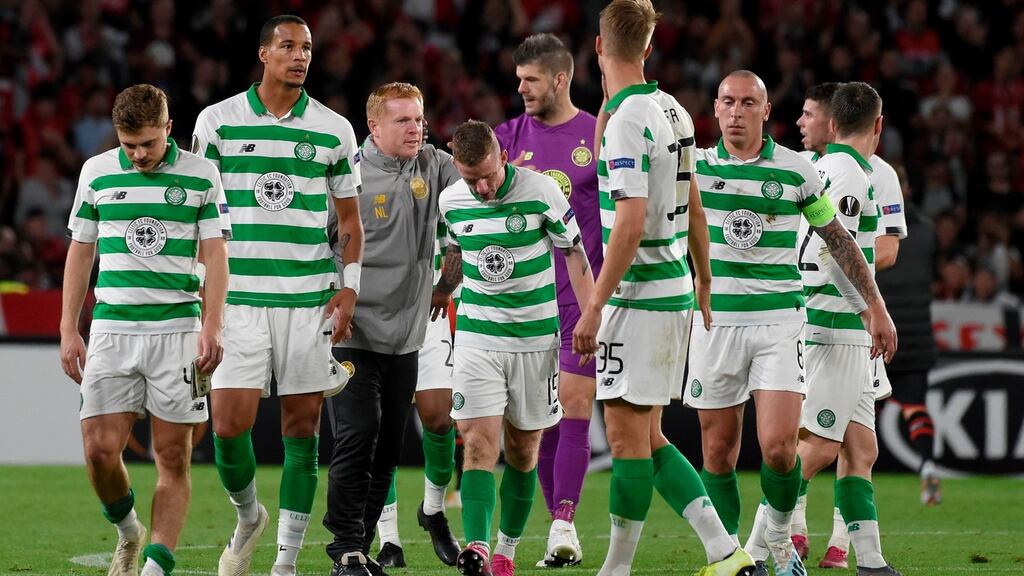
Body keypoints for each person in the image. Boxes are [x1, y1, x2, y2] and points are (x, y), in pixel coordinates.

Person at [686, 71, 897, 576]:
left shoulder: (800, 170)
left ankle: (778, 543)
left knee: (781, 449)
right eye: (728, 102)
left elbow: (837, 238)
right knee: (717, 451)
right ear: (715, 109)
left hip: (781, 323)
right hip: (714, 324)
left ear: (765, 111)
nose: (736, 111)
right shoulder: (690, 170)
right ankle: (733, 557)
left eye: (748, 103)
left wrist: (875, 307)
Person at [574, 2, 755, 575]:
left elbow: (629, 221)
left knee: (627, 440)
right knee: (649, 438)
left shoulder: (629, 120)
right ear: (647, 49)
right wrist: (703, 279)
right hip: (672, 288)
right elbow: (695, 206)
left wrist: (594, 306)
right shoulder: (671, 109)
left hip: (637, 298)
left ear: (598, 48)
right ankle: (726, 552)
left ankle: (617, 569)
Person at [191, 15, 364, 576]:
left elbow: (351, 223)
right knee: (227, 425)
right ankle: (248, 516)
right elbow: (198, 220)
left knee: (301, 430)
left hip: (307, 300)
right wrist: (202, 300)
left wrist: (349, 289)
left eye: (307, 48)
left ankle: (286, 561)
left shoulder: (335, 129)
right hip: (237, 298)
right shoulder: (216, 122)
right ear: (263, 53)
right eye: (288, 46)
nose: (300, 55)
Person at [60, 83, 230, 576]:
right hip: (112, 330)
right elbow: (80, 251)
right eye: (129, 143)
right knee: (98, 450)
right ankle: (129, 531)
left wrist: (212, 324)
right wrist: (70, 328)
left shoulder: (202, 175)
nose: (138, 154)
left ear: (169, 129)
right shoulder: (96, 172)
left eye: (149, 144)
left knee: (173, 457)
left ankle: (156, 565)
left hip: (177, 332)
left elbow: (216, 254)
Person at [433, 119, 595, 576]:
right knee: (479, 443)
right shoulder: (451, 200)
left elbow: (574, 254)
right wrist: (443, 289)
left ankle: (507, 549)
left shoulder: (541, 192)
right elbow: (456, 252)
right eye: (471, 178)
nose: (482, 187)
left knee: (523, 450)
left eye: (487, 174)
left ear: (502, 154)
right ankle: (480, 549)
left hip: (534, 342)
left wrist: (590, 315)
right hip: (478, 339)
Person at [324, 81, 462, 576]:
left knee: (387, 446)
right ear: (374, 127)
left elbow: (474, 200)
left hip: (409, 335)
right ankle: (344, 545)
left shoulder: (434, 165)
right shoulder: (348, 177)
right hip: (353, 332)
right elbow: (321, 248)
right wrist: (332, 303)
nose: (415, 128)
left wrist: (447, 282)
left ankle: (358, 546)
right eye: (403, 120)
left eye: (419, 118)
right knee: (358, 435)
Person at [780, 82, 912, 569]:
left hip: (848, 320)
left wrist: (868, 303)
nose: (801, 122)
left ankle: (868, 559)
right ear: (875, 125)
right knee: (817, 445)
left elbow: (880, 248)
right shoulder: (830, 170)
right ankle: (759, 545)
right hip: (836, 320)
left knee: (861, 447)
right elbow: (828, 251)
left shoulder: (872, 173)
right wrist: (871, 307)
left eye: (808, 113)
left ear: (832, 122)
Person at [492, 32, 603, 568]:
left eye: (531, 80)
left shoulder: (599, 136)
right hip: (524, 305)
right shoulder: (506, 139)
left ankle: (564, 524)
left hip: (583, 298)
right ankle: (560, 526)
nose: (522, 88)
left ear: (561, 78)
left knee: (576, 411)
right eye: (518, 80)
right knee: (539, 425)